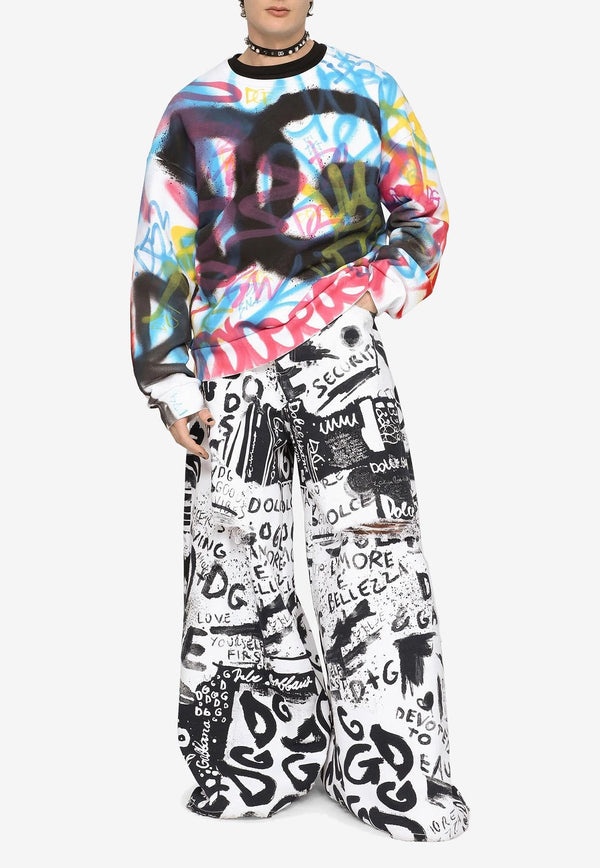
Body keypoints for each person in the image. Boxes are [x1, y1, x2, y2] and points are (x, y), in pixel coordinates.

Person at [130, 0, 470, 842]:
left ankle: (395, 778)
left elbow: (424, 213)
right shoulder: (193, 109)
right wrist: (169, 381)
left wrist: (370, 293)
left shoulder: (370, 88)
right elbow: (161, 248)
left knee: (375, 563)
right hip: (228, 370)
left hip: (343, 360)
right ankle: (255, 765)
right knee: (236, 568)